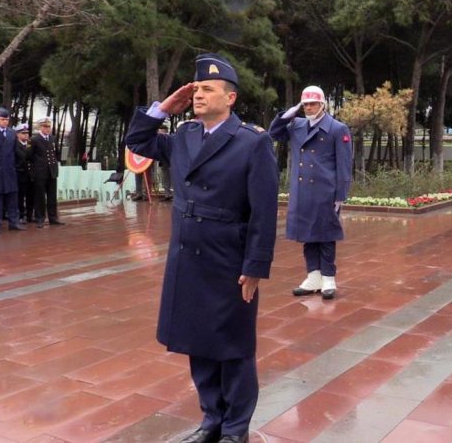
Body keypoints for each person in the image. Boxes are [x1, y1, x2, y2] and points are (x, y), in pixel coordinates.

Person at [126, 52, 278, 443]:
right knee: (199, 343)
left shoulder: (252, 142)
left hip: (228, 258)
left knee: (233, 348)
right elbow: (137, 142)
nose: (198, 95)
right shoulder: (184, 136)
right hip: (187, 255)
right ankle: (211, 420)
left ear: (231, 98)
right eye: (196, 89)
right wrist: (162, 109)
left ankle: (235, 429)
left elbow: (263, 211)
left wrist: (257, 266)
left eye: (208, 89)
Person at [269, 85, 353, 300]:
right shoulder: (296, 125)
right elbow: (274, 133)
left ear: (322, 104)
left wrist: (341, 194)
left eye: (312, 103)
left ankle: (328, 278)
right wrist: (290, 112)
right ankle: (313, 275)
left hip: (326, 189)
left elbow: (344, 164)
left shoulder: (336, 128)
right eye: (305, 104)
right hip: (302, 190)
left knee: (325, 235)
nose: (308, 108)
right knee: (307, 234)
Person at [30, 116, 64, 228]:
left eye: (49, 126)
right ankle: (39, 218)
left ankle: (53, 217)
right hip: (40, 172)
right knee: (40, 196)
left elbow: (56, 153)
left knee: (52, 196)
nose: (48, 129)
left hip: (51, 171)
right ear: (40, 127)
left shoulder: (52, 139)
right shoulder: (35, 139)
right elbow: (29, 156)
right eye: (45, 126)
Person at [14, 123, 34, 223]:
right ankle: (21, 216)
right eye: (23, 133)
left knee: (31, 196)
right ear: (17, 134)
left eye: (27, 133)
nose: (26, 135)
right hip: (20, 175)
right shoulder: (15, 145)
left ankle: (30, 215)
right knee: (20, 197)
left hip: (31, 175)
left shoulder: (31, 145)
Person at [157, 124, 173, 201]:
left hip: (169, 161)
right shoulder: (168, 138)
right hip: (166, 161)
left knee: (169, 178)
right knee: (166, 178)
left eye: (159, 131)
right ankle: (168, 194)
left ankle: (169, 194)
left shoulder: (167, 138)